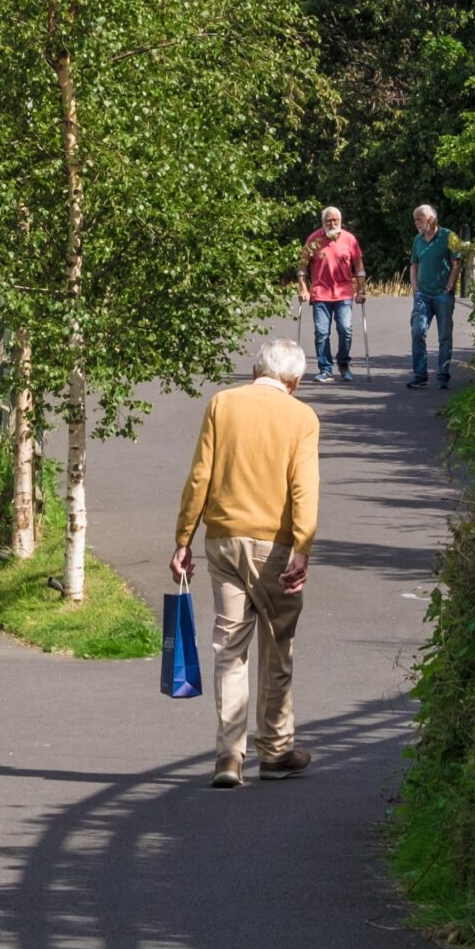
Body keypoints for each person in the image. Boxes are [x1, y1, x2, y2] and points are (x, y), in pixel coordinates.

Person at [169, 338, 321, 789]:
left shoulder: (223, 404)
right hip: (273, 546)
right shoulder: (302, 417)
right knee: (277, 645)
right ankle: (274, 751)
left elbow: (200, 475)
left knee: (229, 648)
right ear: (293, 382)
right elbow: (304, 488)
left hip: (223, 541)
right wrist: (302, 548)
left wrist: (183, 540)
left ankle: (229, 756)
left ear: (257, 370)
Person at [296, 206, 365, 383]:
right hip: (320, 292)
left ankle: (343, 364)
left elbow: (358, 266)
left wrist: (361, 290)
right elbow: (302, 265)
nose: (332, 224)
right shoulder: (314, 239)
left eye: (335, 220)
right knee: (321, 332)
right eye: (329, 221)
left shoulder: (349, 239)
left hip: (344, 292)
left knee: (345, 329)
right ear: (323, 222)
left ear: (340, 221)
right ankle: (325, 369)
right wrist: (303, 288)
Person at [407, 205, 462, 390]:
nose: (417, 224)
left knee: (444, 335)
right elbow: (414, 264)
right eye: (415, 220)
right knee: (417, 330)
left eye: (419, 220)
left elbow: (456, 263)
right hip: (422, 294)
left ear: (431, 219)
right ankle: (420, 374)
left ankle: (443, 375)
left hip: (442, 294)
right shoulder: (418, 240)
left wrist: (450, 284)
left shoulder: (449, 236)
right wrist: (415, 287)